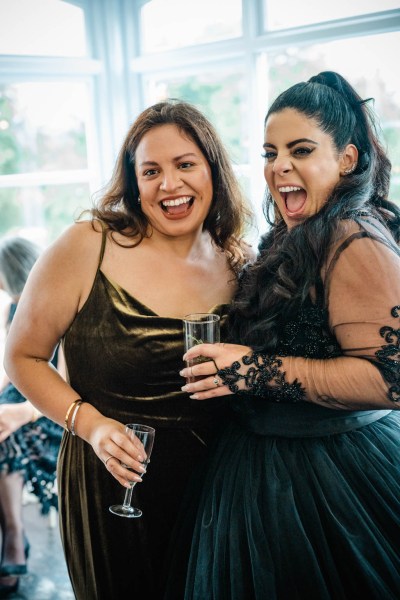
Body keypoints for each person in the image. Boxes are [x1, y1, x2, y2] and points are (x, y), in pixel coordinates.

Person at [3, 100, 253, 599]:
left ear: (213, 171)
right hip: (109, 485)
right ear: (134, 184)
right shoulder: (89, 244)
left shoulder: (238, 262)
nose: (170, 184)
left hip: (214, 486)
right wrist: (90, 426)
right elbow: (22, 356)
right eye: (151, 171)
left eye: (185, 164)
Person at [177, 71, 400, 599]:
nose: (279, 167)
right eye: (270, 152)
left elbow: (392, 379)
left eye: (300, 150)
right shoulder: (298, 231)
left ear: (346, 159)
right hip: (260, 466)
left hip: (329, 482)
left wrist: (250, 371)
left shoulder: (354, 238)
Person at [0, 237, 63, 598]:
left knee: (7, 436)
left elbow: (66, 378)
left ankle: (12, 538)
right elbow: (12, 371)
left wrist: (21, 412)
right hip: (17, 401)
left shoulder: (54, 301)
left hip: (47, 409)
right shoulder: (12, 309)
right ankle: (12, 537)